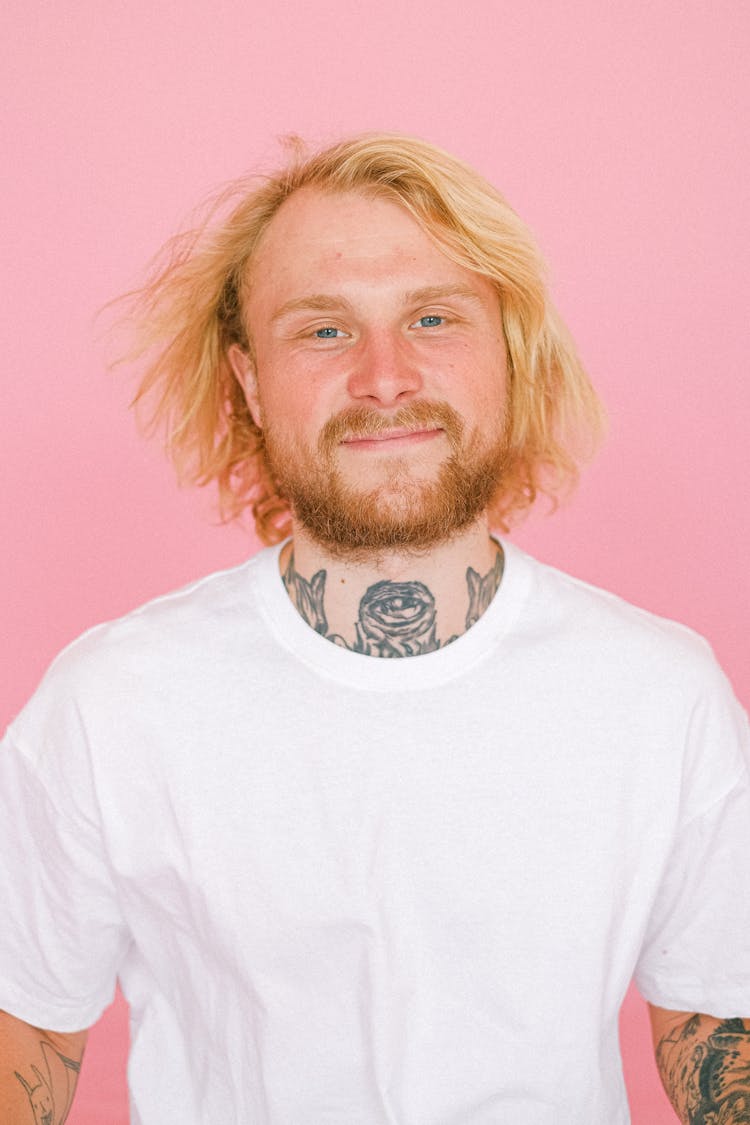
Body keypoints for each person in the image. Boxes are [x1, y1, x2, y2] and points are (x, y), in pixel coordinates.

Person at [1, 133, 748, 1125]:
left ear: (510, 357)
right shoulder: (111, 704)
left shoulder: (661, 696)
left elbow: (717, 1032)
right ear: (252, 382)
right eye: (322, 331)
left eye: (434, 318)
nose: (385, 377)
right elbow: (32, 1034)